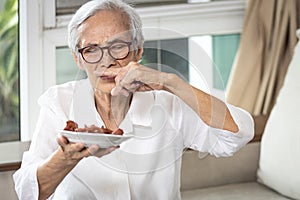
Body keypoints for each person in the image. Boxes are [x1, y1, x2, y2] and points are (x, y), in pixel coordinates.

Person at [13, 0, 254, 199]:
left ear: (138, 51)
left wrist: (170, 82)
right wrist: (66, 158)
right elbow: (28, 192)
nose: (106, 61)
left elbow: (235, 136)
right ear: (78, 59)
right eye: (92, 49)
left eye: (118, 47)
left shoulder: (166, 102)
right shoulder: (58, 102)